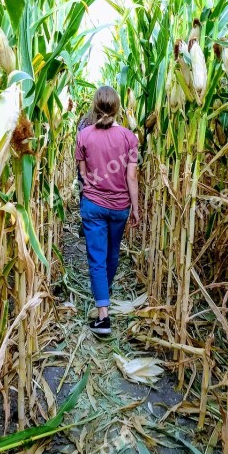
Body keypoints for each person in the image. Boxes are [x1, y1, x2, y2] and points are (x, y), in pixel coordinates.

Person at [75, 86, 140, 337]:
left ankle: (103, 316)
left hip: (93, 205)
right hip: (120, 206)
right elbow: (131, 176)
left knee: (97, 258)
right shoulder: (129, 137)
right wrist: (135, 207)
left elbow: (82, 174)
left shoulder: (84, 136)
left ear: (94, 107)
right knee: (112, 254)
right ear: (117, 108)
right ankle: (105, 296)